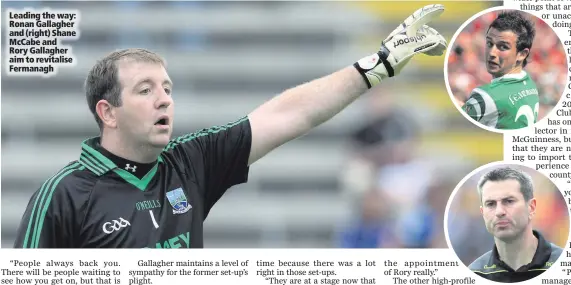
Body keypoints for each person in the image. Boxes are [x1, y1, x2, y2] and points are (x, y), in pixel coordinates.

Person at [13, 4, 447, 248]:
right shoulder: (63, 195)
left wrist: (377, 66)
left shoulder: (190, 162)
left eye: (167, 87)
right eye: (145, 90)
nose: (164, 98)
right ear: (108, 112)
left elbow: (287, 114)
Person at [468, 167, 562, 282]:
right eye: (491, 204)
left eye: (509, 201)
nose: (499, 212)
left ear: (531, 207)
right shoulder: (475, 273)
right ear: (483, 213)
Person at [461, 11, 539, 130]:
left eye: (503, 47)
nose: (492, 53)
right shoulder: (529, 82)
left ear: (522, 54)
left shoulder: (487, 96)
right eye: (489, 43)